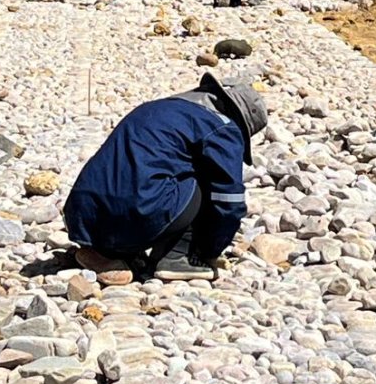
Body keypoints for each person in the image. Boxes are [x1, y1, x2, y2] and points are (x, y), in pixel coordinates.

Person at [63, 72, 267, 282]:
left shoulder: (157, 107)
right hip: (135, 212)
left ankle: (108, 251)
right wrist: (210, 251)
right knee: (207, 181)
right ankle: (176, 257)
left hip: (80, 215)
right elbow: (229, 202)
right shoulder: (222, 126)